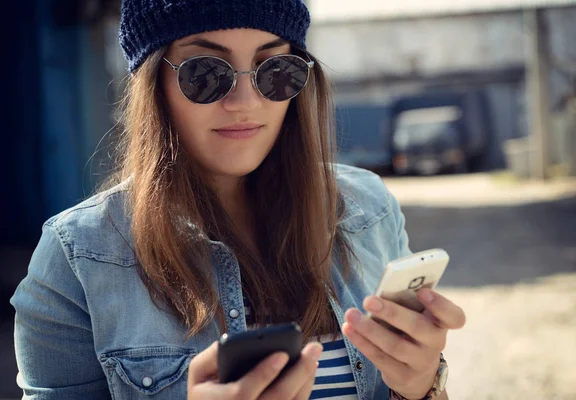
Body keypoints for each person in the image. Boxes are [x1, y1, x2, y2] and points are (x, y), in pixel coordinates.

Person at [10, 1, 466, 399]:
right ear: (154, 83)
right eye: (206, 73)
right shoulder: (77, 260)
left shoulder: (369, 209)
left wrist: (422, 385)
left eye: (276, 72)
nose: (245, 101)